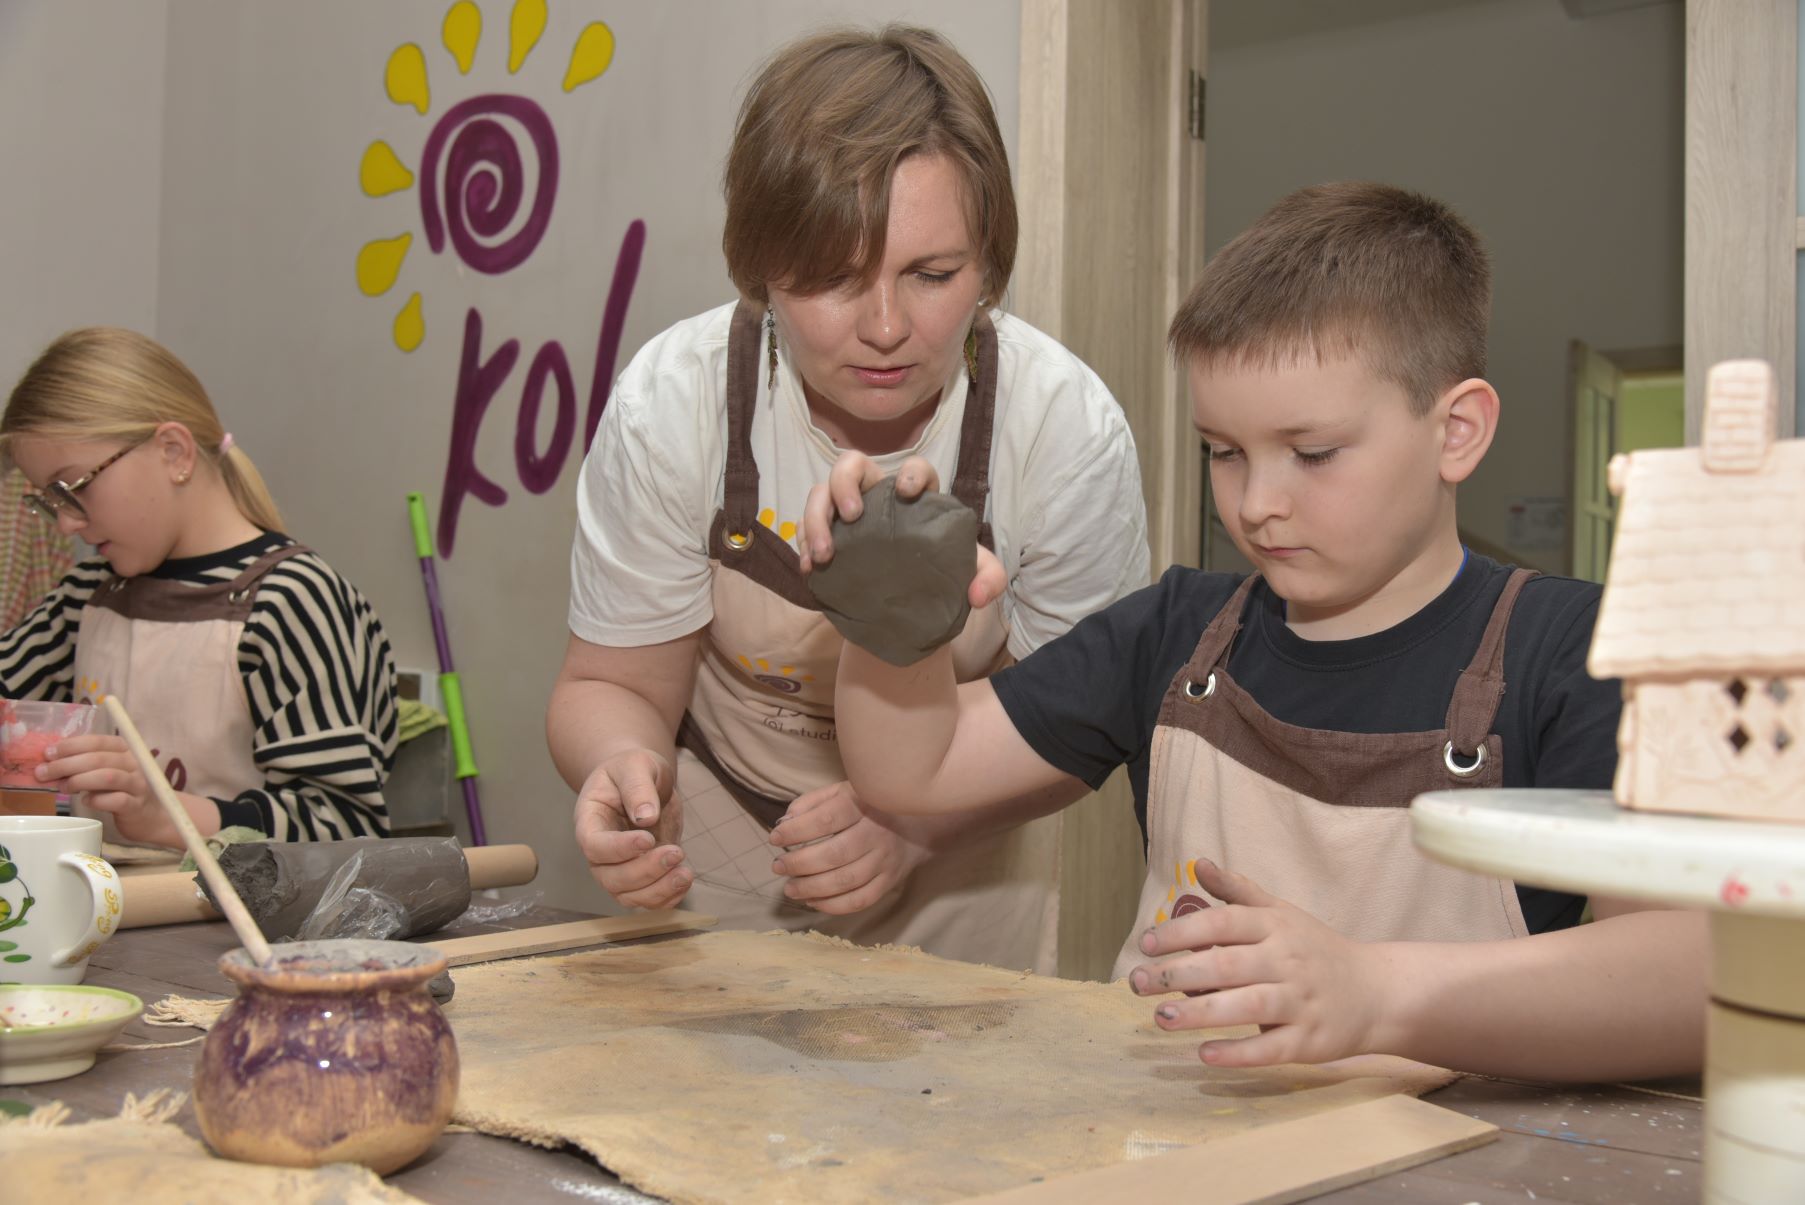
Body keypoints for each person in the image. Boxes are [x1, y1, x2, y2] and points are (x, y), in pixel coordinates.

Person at [814, 182, 1706, 1080]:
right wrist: (890, 612)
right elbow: (912, 770)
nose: (1257, 504)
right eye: (1223, 451)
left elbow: (1684, 976)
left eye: (1312, 453)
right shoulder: (1174, 633)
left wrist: (1373, 993)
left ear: (1457, 431)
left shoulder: (1575, 656)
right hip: (1171, 1151)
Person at [549, 25, 1149, 971]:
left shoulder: (1064, 434)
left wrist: (916, 828)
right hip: (713, 853)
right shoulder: (673, 405)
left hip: (963, 864)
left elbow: (1072, 722)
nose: (884, 328)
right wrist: (621, 770)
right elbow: (611, 685)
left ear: (989, 264)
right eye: (832, 277)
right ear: (758, 269)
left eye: (933, 274)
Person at [0, 327, 399, 847]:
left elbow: (344, 828)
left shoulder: (292, 600)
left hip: (245, 925)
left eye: (71, 490)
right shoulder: (89, 596)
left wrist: (166, 814)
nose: (66, 525)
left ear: (173, 452)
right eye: (48, 502)